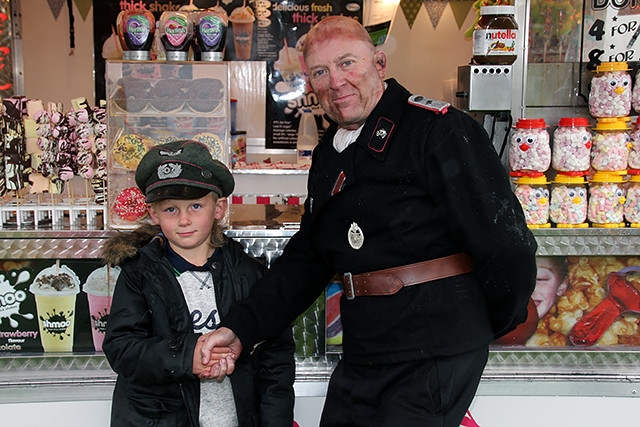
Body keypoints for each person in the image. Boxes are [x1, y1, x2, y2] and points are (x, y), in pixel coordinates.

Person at [201, 16, 537, 427]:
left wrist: (481, 324)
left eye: (347, 64)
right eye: (321, 72)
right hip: (365, 350)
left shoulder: (439, 130)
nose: (336, 82)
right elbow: (308, 258)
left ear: (379, 63)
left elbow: (507, 246)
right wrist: (242, 328)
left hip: (432, 352)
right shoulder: (330, 153)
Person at [102, 140, 295, 427]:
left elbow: (276, 358)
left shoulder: (249, 273)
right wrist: (185, 356)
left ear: (218, 208)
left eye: (195, 205)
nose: (183, 219)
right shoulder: (138, 274)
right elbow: (122, 348)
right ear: (153, 213)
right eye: (170, 209)